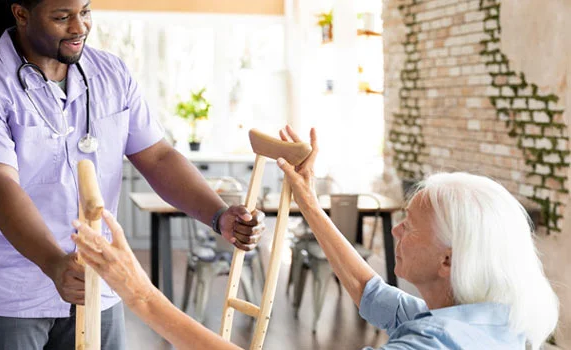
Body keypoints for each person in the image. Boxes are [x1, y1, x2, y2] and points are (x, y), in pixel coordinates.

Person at [0, 0, 265, 348]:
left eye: (85, 12)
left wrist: (218, 215)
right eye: (62, 17)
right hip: (3, 286)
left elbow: (157, 156)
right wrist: (54, 263)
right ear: (21, 14)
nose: (79, 27)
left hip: (96, 279)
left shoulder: (112, 74)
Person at [72, 125, 559, 350]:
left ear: (449, 262)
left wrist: (137, 291)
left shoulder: (431, 346)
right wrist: (305, 198)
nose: (395, 231)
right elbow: (368, 290)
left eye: (410, 227)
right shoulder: (483, 320)